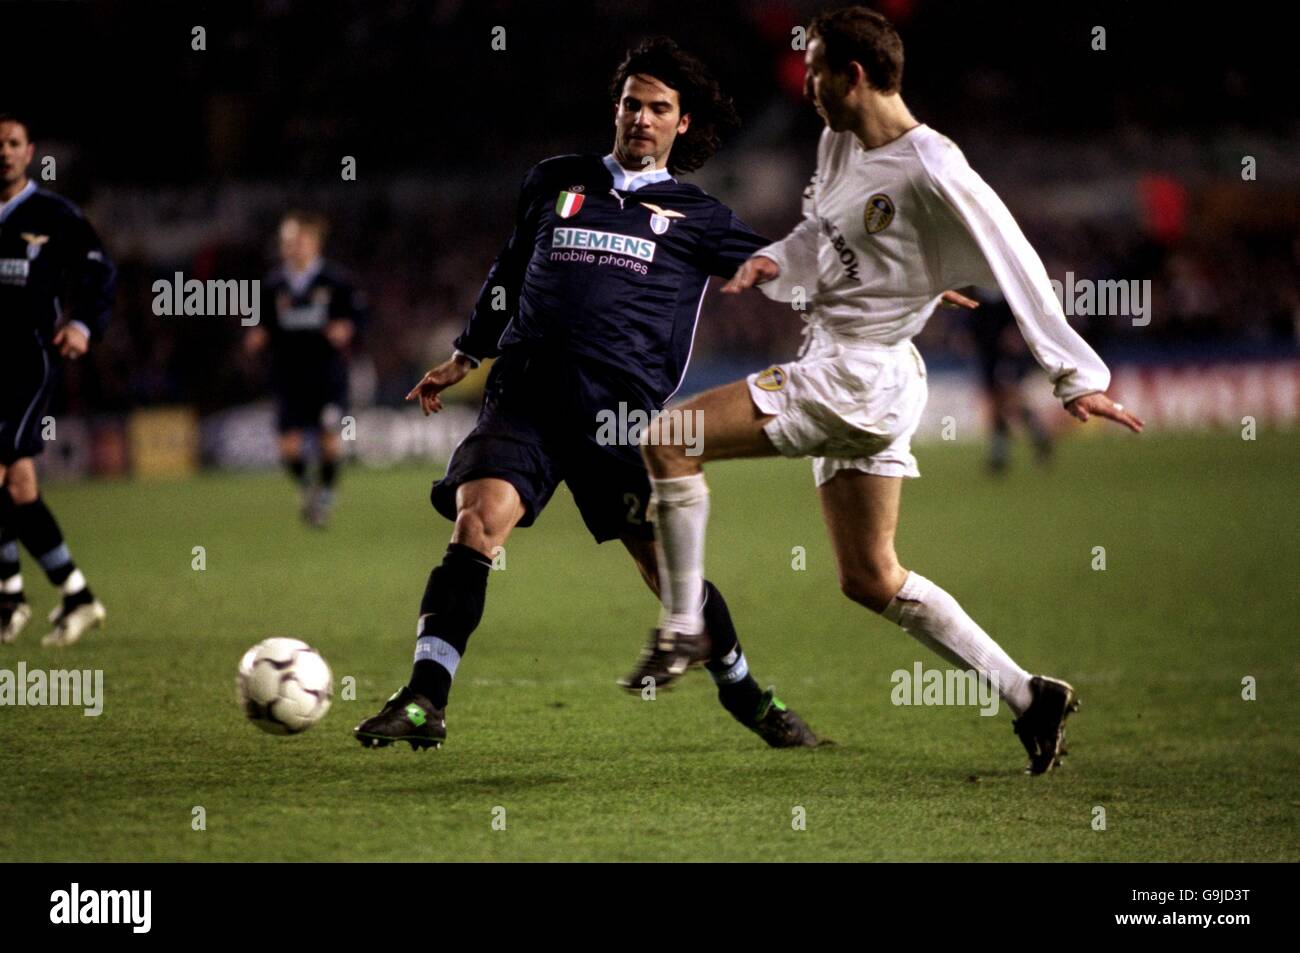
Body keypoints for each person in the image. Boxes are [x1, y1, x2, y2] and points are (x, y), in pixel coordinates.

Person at [626, 8, 1144, 775]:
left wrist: (1076, 376)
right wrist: (775, 261)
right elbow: (823, 236)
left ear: (855, 76)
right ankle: (1030, 694)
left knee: (668, 440)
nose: (805, 87)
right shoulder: (840, 139)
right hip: (866, 374)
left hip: (857, 376)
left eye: (816, 73)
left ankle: (684, 625)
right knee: (869, 576)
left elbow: (1016, 261)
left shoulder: (934, 166)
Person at [354, 37, 822, 752]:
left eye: (658, 108)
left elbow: (782, 265)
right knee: (477, 523)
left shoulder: (696, 217)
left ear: (682, 124)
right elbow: (509, 270)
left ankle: (747, 692)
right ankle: (425, 697)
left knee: (666, 570)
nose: (641, 117)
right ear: (616, 109)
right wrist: (466, 352)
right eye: (632, 103)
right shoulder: (556, 180)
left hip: (620, 416)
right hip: (526, 394)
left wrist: (883, 288)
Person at [0, 113, 115, 647]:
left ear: (29, 152)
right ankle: (74, 595)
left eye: (13, 143)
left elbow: (98, 267)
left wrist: (84, 324)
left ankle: (10, 594)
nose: (3, 151)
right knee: (18, 486)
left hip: (26, 360)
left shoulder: (53, 214)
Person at [246, 211, 366, 528]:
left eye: (298, 240)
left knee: (329, 439)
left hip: (326, 376)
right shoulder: (272, 286)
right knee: (288, 448)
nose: (292, 246)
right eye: (287, 241)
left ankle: (325, 494)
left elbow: (360, 317)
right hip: (287, 376)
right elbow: (259, 324)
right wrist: (256, 335)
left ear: (314, 243)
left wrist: (349, 327)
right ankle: (307, 486)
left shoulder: (336, 281)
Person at [966, 286, 1054, 473]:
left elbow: (1021, 315)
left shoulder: (1006, 287)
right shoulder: (976, 289)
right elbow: (974, 319)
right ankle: (1004, 454)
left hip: (1006, 354)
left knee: (1011, 400)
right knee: (998, 404)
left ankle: (1036, 441)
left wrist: (1015, 336)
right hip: (986, 355)